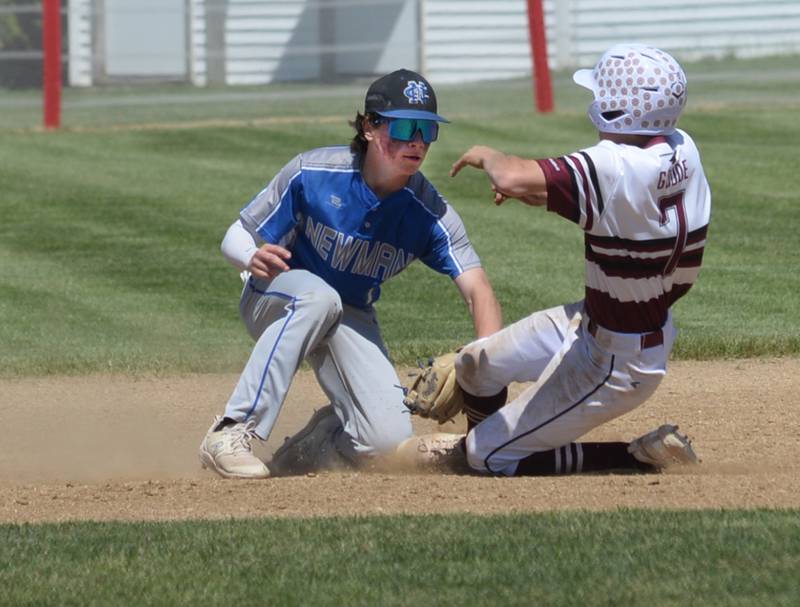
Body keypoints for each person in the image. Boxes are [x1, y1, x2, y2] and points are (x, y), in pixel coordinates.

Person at [397, 44, 711, 476]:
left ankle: (632, 455)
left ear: (615, 109)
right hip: (595, 323)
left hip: (619, 361)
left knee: (484, 454)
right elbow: (594, 197)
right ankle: (496, 447)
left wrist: (487, 155)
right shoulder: (681, 149)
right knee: (476, 363)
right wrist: (528, 190)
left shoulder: (614, 167)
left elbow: (511, 172)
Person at [199, 69, 502, 479]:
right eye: (404, 126)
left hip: (349, 314)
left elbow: (477, 289)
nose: (417, 141)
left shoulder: (429, 213)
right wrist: (249, 256)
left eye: (427, 130)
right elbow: (235, 235)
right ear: (370, 127)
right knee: (318, 297)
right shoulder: (313, 172)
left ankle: (322, 440)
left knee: (384, 442)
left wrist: (480, 364)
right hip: (275, 295)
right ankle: (232, 429)